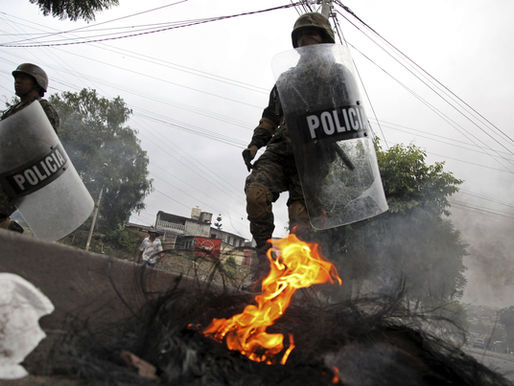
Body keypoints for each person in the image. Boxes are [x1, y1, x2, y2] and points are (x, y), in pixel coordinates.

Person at [242, 13, 338, 284]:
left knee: (301, 224)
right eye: (303, 41)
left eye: (313, 40)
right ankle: (264, 262)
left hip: (313, 160)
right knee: (256, 194)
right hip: (281, 150)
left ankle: (296, 281)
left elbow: (349, 114)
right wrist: (254, 144)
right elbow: (270, 116)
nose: (308, 46)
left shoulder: (337, 76)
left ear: (324, 43)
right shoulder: (287, 79)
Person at [0, 63, 60, 233]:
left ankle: (11, 233)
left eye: (23, 78)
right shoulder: (12, 110)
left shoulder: (43, 109)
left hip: (17, 176)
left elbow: (45, 145)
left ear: (37, 84)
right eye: (16, 78)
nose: (17, 81)